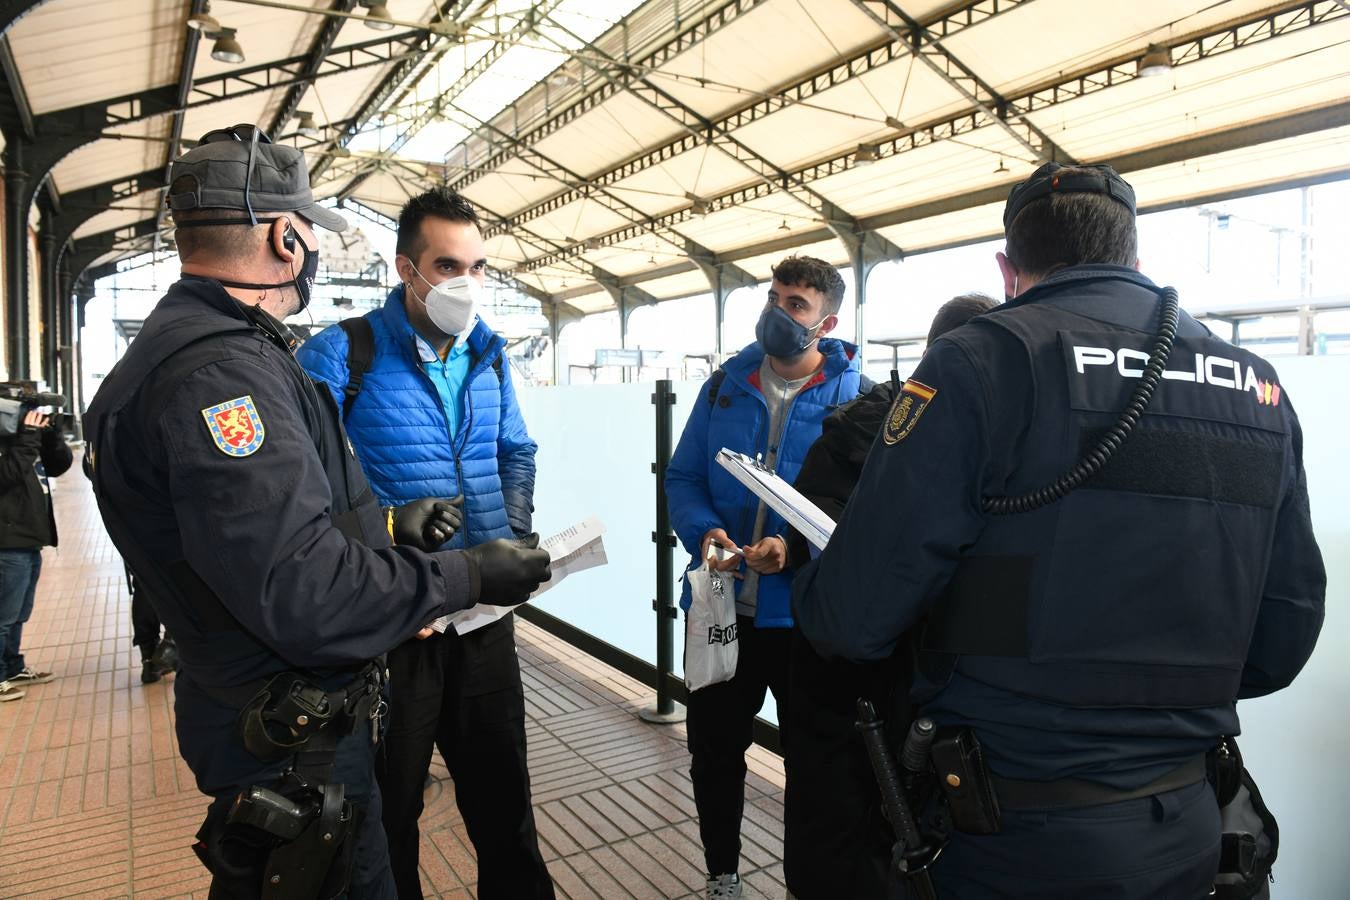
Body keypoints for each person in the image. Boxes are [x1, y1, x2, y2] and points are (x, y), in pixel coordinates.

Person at [794, 163, 1326, 897]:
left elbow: (849, 621)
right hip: (1192, 826)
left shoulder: (978, 361)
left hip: (1014, 836)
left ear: (1009, 270)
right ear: (1134, 259)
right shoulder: (1259, 386)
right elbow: (1284, 639)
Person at [82, 125, 551, 899]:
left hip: (333, 662)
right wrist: (461, 571)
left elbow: (273, 515)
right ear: (285, 235)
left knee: (499, 797)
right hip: (299, 715)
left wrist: (395, 530)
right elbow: (302, 587)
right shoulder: (231, 371)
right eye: (447, 266)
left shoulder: (198, 350)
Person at [297, 187, 552, 899]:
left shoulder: (491, 357)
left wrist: (516, 532)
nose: (465, 284)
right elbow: (305, 491)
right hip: (393, 630)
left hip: (482, 622)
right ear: (407, 269)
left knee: (507, 808)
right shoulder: (341, 355)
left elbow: (516, 450)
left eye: (478, 266)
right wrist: (390, 521)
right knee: (388, 817)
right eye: (447, 266)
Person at [781, 292, 996, 900]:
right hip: (913, 688)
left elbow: (805, 538)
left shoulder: (853, 427)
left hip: (832, 673)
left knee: (830, 834)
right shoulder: (979, 445)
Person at [665, 255, 865, 899]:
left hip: (801, 620)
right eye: (775, 297)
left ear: (827, 321)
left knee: (813, 766)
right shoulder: (724, 384)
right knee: (714, 753)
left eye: (797, 305)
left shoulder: (856, 400)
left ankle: (806, 884)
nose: (779, 313)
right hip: (719, 608)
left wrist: (792, 548)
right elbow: (684, 476)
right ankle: (723, 874)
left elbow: (862, 511)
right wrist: (706, 534)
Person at [0, 407, 72, 701]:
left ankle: (13, 667)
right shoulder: (13, 443)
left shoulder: (23, 439)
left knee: (18, 613)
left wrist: (51, 434)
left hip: (29, 538)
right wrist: (27, 437)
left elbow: (58, 466)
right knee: (4, 615)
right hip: (6, 543)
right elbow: (7, 475)